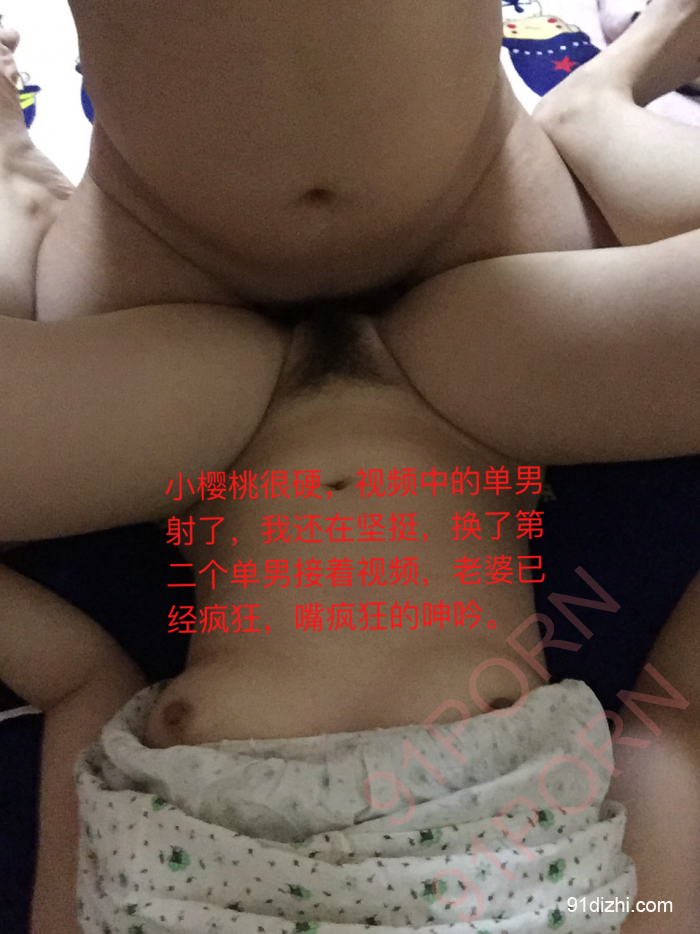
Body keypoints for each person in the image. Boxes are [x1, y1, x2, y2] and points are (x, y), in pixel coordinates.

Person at [0, 0, 699, 931]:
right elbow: (672, 730)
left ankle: (17, 191)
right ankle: (596, 113)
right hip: (480, 386)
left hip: (196, 410)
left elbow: (81, 682)